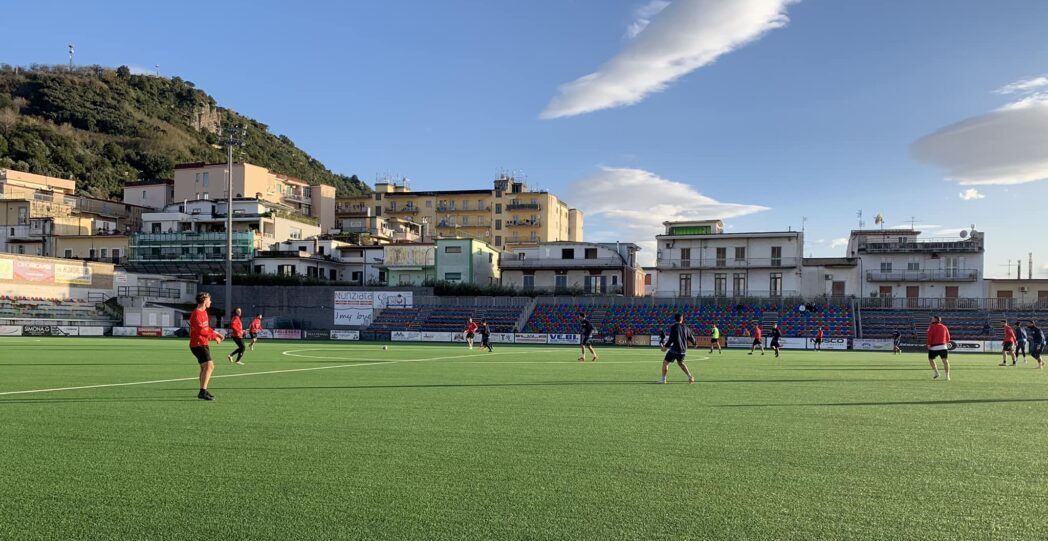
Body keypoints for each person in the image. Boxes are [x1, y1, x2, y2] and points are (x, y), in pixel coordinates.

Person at [190, 292, 223, 400]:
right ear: (204, 300)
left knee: (205, 367)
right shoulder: (197, 314)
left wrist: (216, 333)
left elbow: (206, 328)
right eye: (209, 299)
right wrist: (214, 337)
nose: (210, 301)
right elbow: (201, 331)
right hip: (198, 344)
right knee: (209, 366)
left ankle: (203, 390)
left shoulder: (203, 312)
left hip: (203, 343)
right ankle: (202, 392)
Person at [659, 313, 697, 384]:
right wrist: (694, 343)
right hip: (683, 350)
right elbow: (691, 337)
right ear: (682, 319)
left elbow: (671, 339)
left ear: (675, 319)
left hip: (675, 349)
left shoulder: (674, 327)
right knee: (681, 363)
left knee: (665, 362)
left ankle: (663, 379)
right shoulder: (686, 327)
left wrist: (665, 347)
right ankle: (690, 377)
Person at [927, 315, 951, 381]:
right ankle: (947, 376)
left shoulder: (931, 327)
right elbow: (948, 338)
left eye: (932, 319)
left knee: (931, 359)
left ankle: (936, 372)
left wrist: (929, 344)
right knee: (945, 361)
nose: (931, 319)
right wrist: (944, 343)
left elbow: (929, 336)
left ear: (935, 320)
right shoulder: (944, 327)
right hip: (943, 346)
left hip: (934, 347)